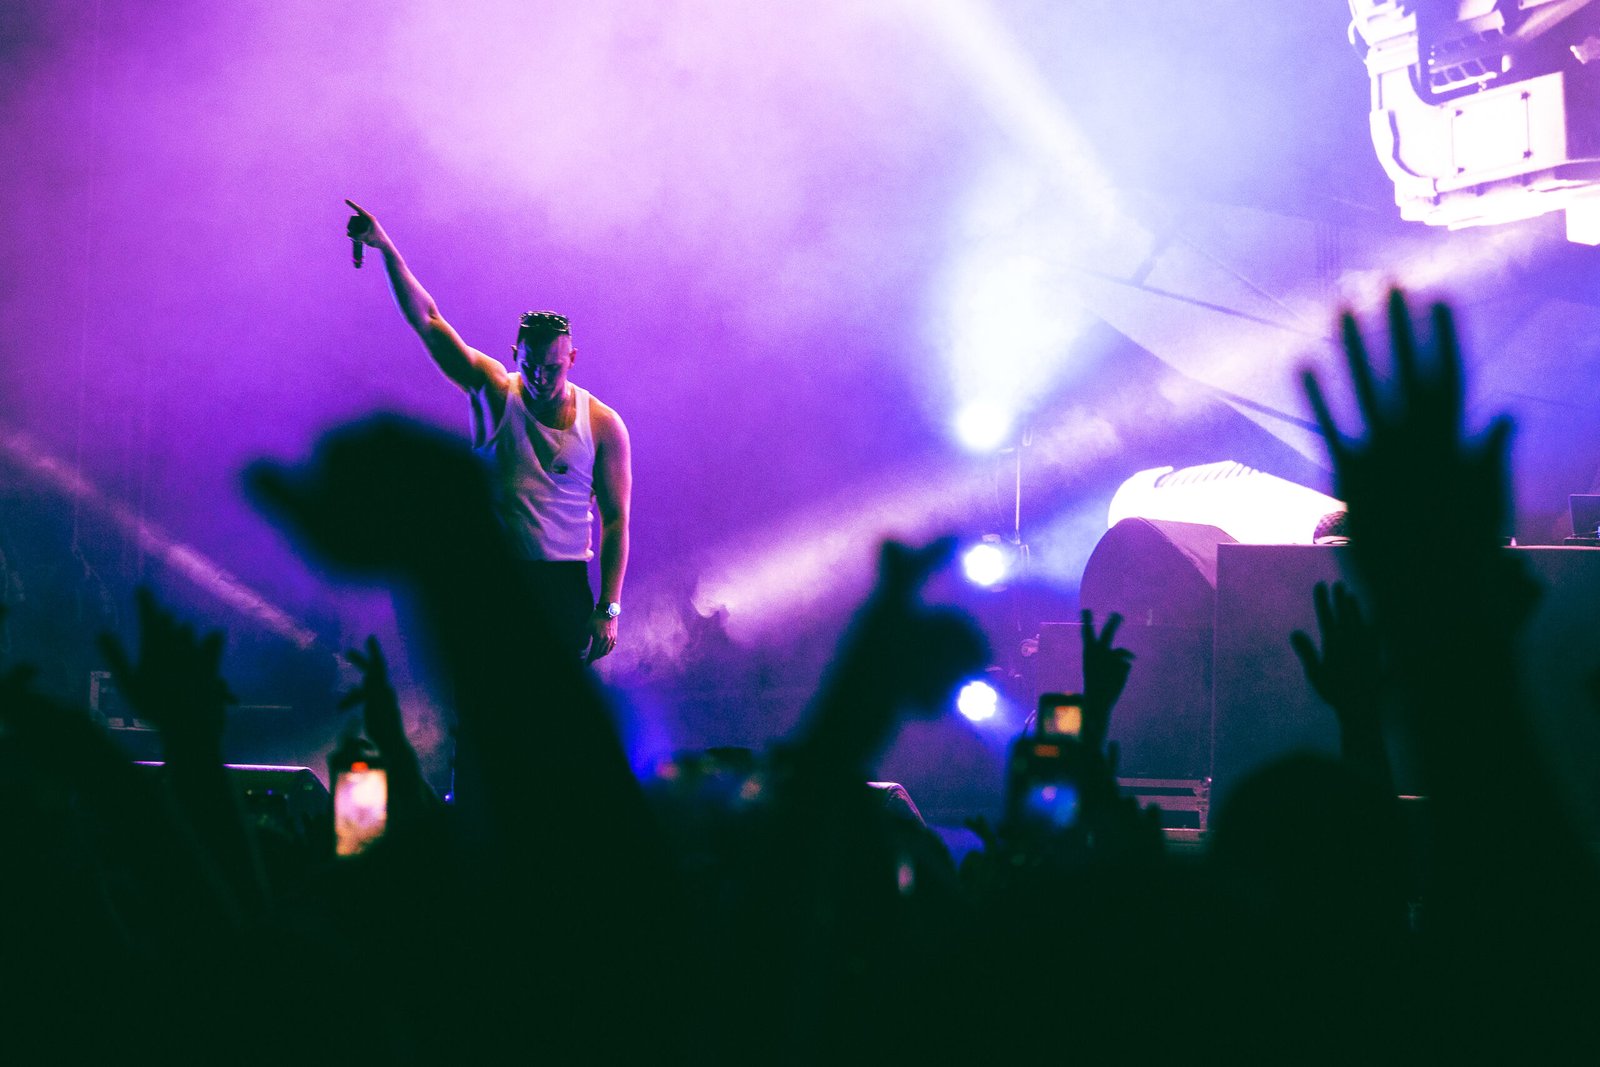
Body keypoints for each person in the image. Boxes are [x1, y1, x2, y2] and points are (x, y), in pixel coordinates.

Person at [343, 200, 631, 661]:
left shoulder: (602, 424)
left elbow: (616, 520)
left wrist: (609, 608)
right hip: (494, 574)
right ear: (516, 354)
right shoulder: (494, 390)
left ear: (572, 359)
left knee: (551, 698)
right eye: (530, 365)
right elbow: (429, 321)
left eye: (552, 367)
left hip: (562, 582)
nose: (540, 377)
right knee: (491, 692)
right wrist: (385, 248)